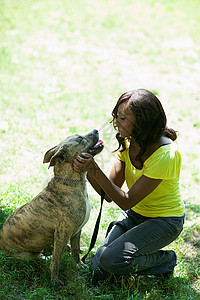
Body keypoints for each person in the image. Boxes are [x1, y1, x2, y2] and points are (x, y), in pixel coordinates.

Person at [73, 88, 185, 282]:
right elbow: (106, 194)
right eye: (116, 116)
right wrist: (87, 168)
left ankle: (166, 261)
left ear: (143, 122)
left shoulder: (166, 155)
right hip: (135, 215)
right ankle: (120, 255)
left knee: (109, 260)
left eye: (122, 118)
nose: (116, 122)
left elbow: (126, 201)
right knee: (97, 265)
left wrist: (95, 168)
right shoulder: (128, 142)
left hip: (165, 221)